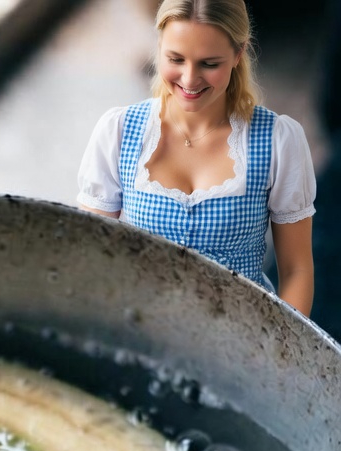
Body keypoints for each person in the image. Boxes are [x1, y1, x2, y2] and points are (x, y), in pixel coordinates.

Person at [77, 0, 315, 316]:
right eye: (176, 59)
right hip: (136, 324)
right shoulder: (118, 132)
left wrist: (279, 357)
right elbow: (93, 255)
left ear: (238, 54)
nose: (189, 80)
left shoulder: (278, 140)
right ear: (159, 45)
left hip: (241, 335)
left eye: (209, 64)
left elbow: (296, 268)